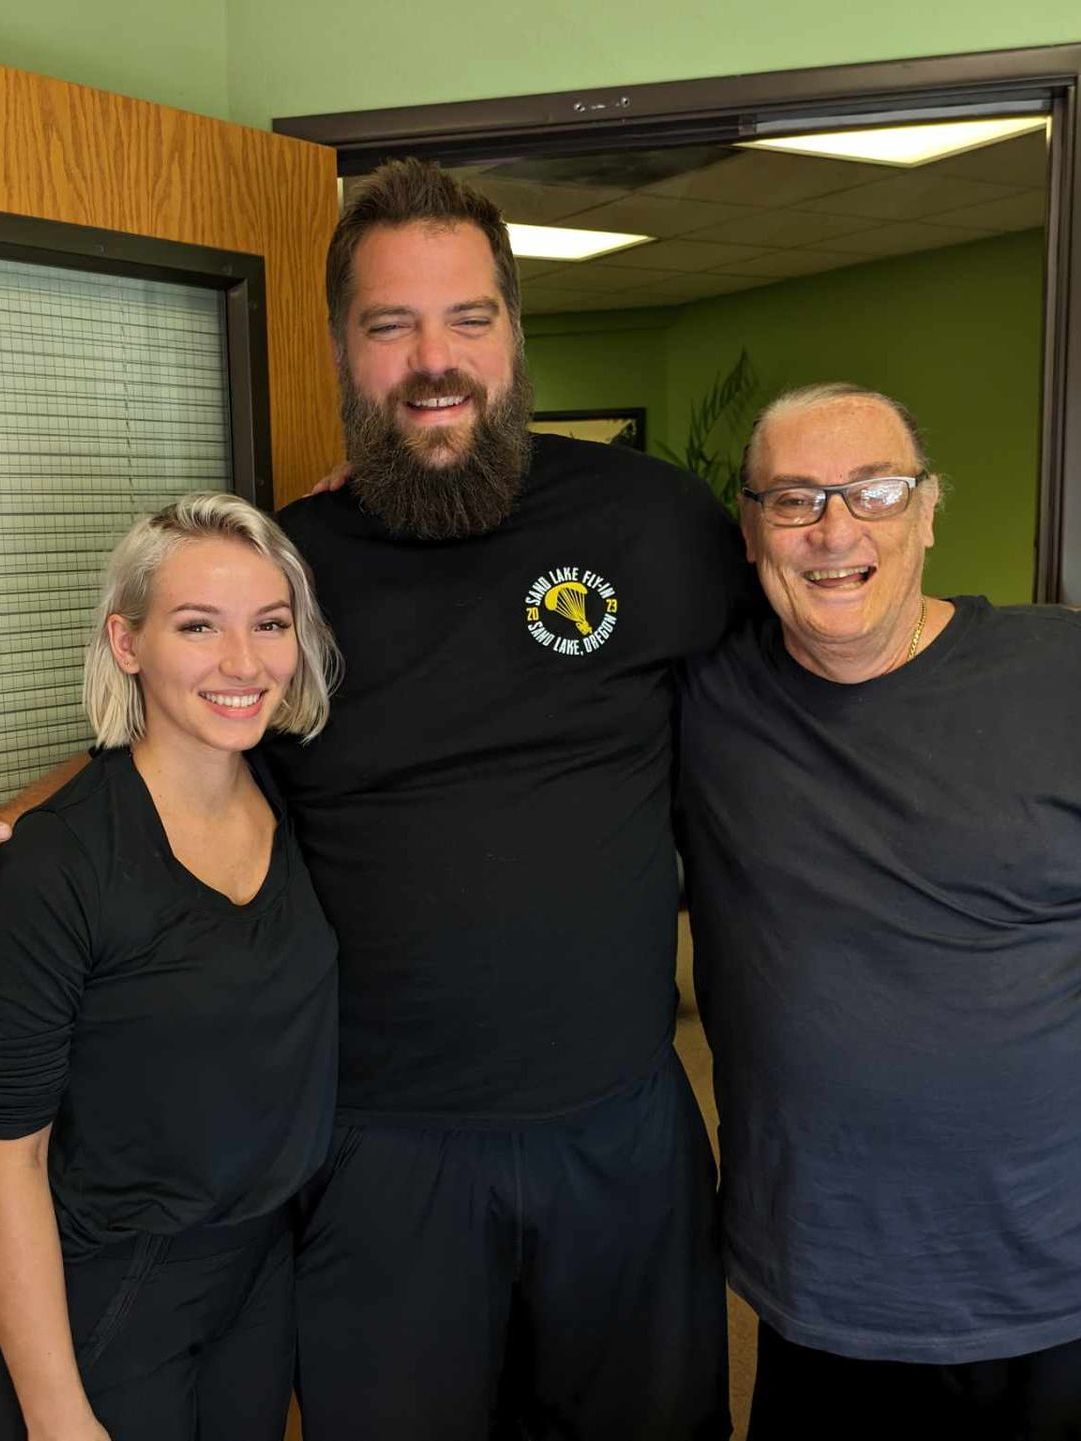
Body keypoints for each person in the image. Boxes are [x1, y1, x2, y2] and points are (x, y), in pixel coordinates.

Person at [264, 158, 746, 1440]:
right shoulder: (285, 571)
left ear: (513, 333)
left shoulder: (654, 521)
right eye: (391, 325)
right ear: (341, 346)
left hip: (620, 1132)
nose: (435, 360)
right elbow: (173, 766)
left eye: (467, 318)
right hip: (380, 1149)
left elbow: (807, 684)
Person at [679, 382, 1081, 1440]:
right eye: (795, 499)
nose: (835, 530)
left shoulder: (1060, 673)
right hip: (824, 1287)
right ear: (749, 532)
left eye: (876, 491)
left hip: (1056, 1284)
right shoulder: (704, 698)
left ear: (929, 510)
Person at [0, 493, 340, 1441]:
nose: (243, 662)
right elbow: (8, 1159)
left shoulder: (284, 787)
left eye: (269, 623)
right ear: (127, 642)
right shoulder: (57, 863)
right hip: (115, 1284)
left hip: (260, 1262)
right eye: (198, 625)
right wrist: (56, 1411)